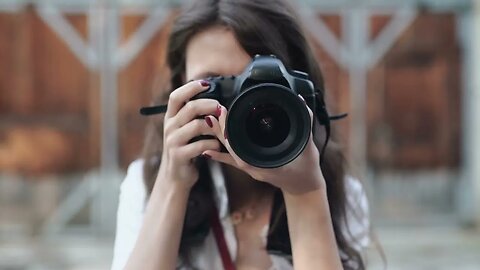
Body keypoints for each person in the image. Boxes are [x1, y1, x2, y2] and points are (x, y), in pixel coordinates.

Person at [111, 0, 370, 269]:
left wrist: (305, 193)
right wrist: (172, 184)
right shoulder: (145, 185)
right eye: (213, 84)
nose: (240, 106)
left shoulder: (340, 195)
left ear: (302, 93)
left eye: (258, 84)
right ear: (178, 92)